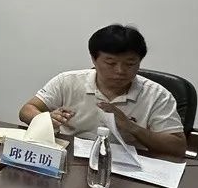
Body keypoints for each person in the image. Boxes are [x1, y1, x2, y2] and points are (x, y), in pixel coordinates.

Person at [18, 24, 186, 157]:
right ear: (94, 59)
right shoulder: (67, 81)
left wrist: (131, 127)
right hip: (72, 158)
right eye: (111, 63)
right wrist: (45, 119)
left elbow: (178, 147)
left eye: (130, 64)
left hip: (130, 168)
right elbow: (27, 110)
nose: (120, 71)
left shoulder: (158, 95)